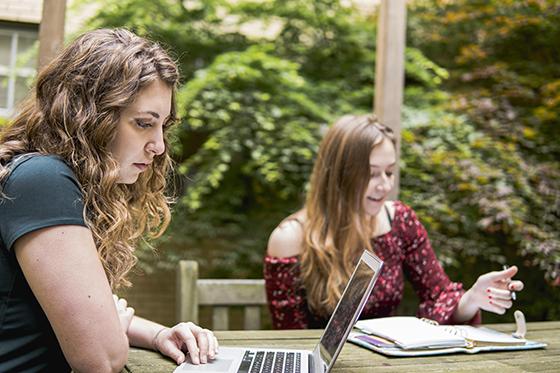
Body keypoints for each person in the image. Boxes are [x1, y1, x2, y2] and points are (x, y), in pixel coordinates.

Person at [0, 28, 217, 372]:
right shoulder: (42, 179)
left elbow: (73, 318)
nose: (159, 146)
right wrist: (111, 327)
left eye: (163, 126)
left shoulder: (47, 175)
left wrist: (158, 333)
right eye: (143, 123)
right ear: (90, 116)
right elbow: (101, 360)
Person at [264, 114, 524, 329]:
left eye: (389, 172)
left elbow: (439, 296)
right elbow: (290, 339)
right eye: (371, 173)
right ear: (338, 175)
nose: (385, 185)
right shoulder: (290, 239)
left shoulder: (399, 220)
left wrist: (472, 298)